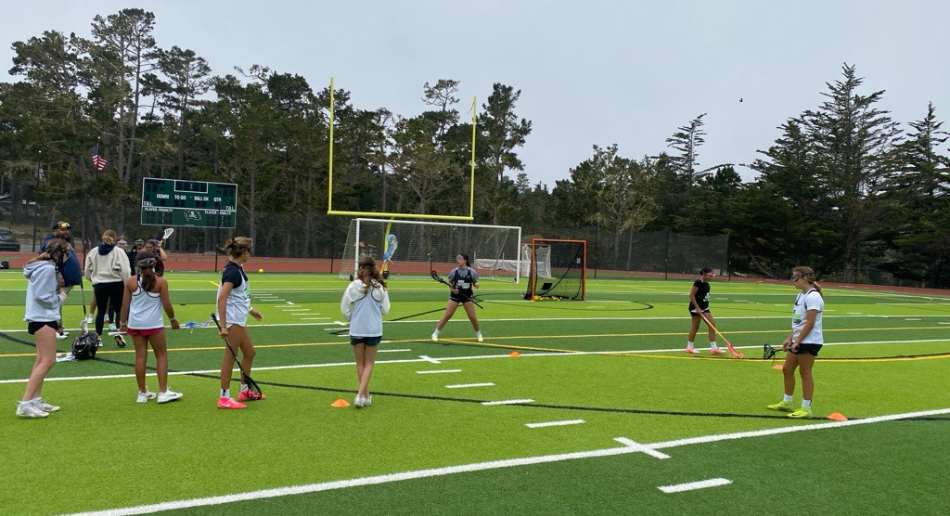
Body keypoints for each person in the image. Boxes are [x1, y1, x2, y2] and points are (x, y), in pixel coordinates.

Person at [119, 251, 182, 404]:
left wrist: (122, 323)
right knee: (161, 356)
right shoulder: (161, 282)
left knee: (140, 357)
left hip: (135, 324)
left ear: (137, 265)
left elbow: (124, 305)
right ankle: (163, 392)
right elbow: (167, 305)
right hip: (154, 324)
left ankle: (142, 393)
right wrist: (173, 320)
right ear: (154, 264)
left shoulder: (131, 282)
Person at [17, 239, 71, 418]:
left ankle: (35, 399)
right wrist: (60, 298)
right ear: (58, 253)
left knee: (41, 359)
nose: (67, 258)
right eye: (66, 254)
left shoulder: (43, 267)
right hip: (42, 318)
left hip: (42, 317)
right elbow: (42, 296)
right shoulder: (47, 269)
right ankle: (25, 403)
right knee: (48, 360)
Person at [767, 266, 825, 419]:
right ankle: (787, 402)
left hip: (810, 341)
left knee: (805, 373)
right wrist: (790, 338)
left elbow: (810, 323)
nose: (793, 281)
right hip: (799, 339)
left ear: (805, 278)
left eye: (796, 278)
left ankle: (806, 408)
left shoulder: (813, 297)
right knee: (787, 369)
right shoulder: (801, 295)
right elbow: (798, 321)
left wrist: (797, 341)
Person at [216, 237, 264, 409]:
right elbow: (222, 297)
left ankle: (244, 390)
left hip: (239, 318)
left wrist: (251, 310)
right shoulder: (232, 272)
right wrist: (223, 325)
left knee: (250, 353)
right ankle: (224, 397)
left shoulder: (237, 269)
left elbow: (239, 295)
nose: (250, 254)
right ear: (244, 253)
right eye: (248, 251)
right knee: (230, 357)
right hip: (232, 320)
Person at [341, 255, 390, 408]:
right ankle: (362, 395)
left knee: (360, 362)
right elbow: (386, 309)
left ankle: (363, 396)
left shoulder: (353, 286)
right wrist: (375, 314)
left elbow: (344, 308)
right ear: (374, 268)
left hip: (357, 329)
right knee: (369, 363)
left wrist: (353, 319)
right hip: (374, 329)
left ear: (360, 268)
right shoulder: (380, 286)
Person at [84, 230, 132, 341]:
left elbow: (87, 269)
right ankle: (119, 332)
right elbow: (125, 270)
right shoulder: (119, 252)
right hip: (116, 283)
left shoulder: (94, 251)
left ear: (102, 237)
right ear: (115, 239)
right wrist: (127, 284)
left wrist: (92, 279)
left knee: (101, 311)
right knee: (118, 309)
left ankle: (98, 336)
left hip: (100, 284)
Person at [40, 221, 83, 340]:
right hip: (60, 280)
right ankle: (54, 329)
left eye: (67, 229)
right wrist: (59, 276)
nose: (66, 232)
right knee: (56, 303)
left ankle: (59, 327)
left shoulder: (64, 242)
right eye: (62, 229)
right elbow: (51, 262)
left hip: (67, 279)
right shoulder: (51, 243)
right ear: (54, 231)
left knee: (59, 304)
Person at [431, 253, 483, 343]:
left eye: (460, 258)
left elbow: (475, 282)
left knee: (472, 317)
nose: (458, 260)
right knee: (447, 315)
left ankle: (479, 334)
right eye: (457, 258)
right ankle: (435, 334)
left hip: (467, 296)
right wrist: (452, 289)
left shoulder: (472, 272)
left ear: (465, 260)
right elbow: (450, 282)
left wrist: (476, 284)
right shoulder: (454, 271)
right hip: (455, 296)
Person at [686, 267, 723, 355]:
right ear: (704, 273)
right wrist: (697, 307)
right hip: (696, 308)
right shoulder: (698, 282)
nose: (712, 277)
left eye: (713, 275)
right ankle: (689, 347)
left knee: (712, 325)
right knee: (695, 327)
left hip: (705, 308)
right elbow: (691, 295)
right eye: (711, 275)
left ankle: (714, 348)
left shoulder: (707, 283)